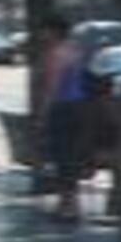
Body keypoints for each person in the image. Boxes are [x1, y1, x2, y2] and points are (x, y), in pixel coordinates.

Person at [37, 15, 97, 224]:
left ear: (53, 31)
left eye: (44, 30)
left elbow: (52, 88)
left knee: (62, 157)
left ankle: (67, 207)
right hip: (79, 107)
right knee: (71, 157)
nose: (41, 34)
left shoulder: (55, 54)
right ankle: (71, 206)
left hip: (62, 108)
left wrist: (43, 115)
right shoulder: (75, 50)